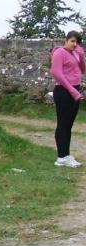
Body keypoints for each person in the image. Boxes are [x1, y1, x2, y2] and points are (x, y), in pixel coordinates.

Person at [51, 31, 85, 167]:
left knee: (68, 125)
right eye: (72, 41)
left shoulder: (76, 53)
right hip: (64, 91)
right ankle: (61, 157)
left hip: (74, 90)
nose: (74, 44)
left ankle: (66, 154)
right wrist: (72, 91)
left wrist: (82, 56)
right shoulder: (59, 52)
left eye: (77, 42)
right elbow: (57, 73)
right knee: (63, 124)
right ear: (66, 40)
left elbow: (83, 70)